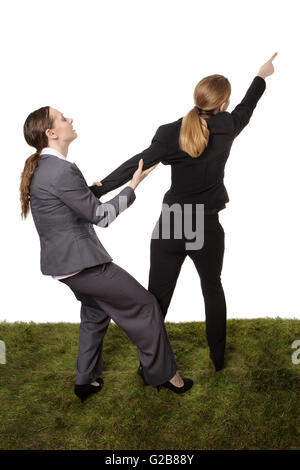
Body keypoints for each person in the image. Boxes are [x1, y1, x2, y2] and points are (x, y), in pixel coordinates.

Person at [89, 53, 278, 373]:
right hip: (205, 224)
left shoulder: (170, 132)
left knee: (157, 298)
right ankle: (217, 359)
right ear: (222, 104)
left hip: (173, 222)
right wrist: (262, 76)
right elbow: (248, 107)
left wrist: (98, 190)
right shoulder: (228, 126)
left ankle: (148, 364)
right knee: (212, 287)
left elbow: (139, 162)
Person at [19, 106, 193, 403]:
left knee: (95, 314)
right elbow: (101, 217)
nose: (70, 119)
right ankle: (164, 376)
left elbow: (67, 203)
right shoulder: (61, 170)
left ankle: (85, 380)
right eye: (62, 119)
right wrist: (132, 187)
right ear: (51, 133)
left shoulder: (46, 169)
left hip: (65, 268)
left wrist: (90, 191)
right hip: (84, 266)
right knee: (146, 306)